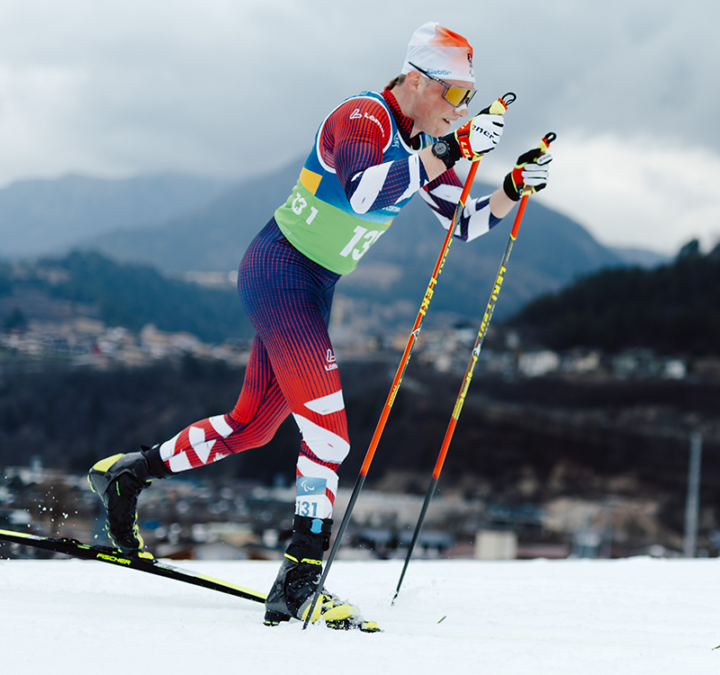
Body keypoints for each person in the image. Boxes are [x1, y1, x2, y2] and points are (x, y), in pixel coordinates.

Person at [85, 21, 553, 630]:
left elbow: (461, 225)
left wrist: (512, 188)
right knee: (329, 435)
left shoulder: (421, 143)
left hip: (312, 287)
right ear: (416, 80)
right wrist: (453, 150)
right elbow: (363, 194)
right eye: (455, 96)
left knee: (251, 428)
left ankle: (125, 475)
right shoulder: (363, 118)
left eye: (469, 99)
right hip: (280, 269)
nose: (459, 110)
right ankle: (300, 582)